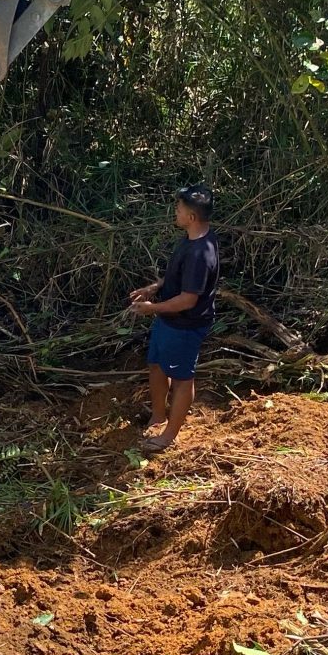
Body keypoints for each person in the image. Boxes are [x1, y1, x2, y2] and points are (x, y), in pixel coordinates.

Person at [125, 184, 220, 454]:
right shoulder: (192, 238)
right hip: (169, 320)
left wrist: (151, 308)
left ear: (191, 217)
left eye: (178, 209)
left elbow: (188, 299)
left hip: (185, 325)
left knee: (181, 379)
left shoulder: (201, 253)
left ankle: (168, 436)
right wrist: (154, 288)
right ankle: (158, 416)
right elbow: (178, 277)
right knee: (156, 365)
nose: (175, 212)